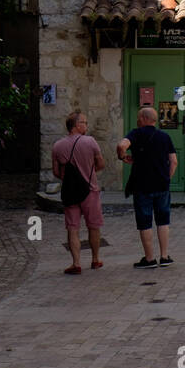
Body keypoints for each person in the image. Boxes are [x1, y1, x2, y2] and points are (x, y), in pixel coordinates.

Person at [116, 105, 177, 268]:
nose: (137, 120)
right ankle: (164, 256)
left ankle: (149, 258)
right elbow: (174, 161)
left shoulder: (135, 134)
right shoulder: (165, 137)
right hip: (162, 185)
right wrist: (166, 179)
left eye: (138, 117)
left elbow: (121, 145)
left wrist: (122, 157)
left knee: (145, 221)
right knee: (163, 220)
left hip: (142, 186)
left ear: (143, 119)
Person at [51, 111, 105, 275]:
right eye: (84, 122)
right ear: (77, 125)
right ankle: (95, 259)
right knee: (93, 226)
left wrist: (70, 178)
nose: (86, 125)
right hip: (90, 190)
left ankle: (76, 263)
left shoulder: (57, 146)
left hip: (70, 191)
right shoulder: (90, 142)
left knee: (72, 228)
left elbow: (56, 172)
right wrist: (88, 171)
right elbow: (101, 164)